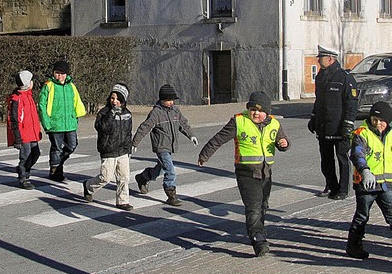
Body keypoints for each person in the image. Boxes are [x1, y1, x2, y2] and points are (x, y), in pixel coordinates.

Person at [198, 91, 290, 257]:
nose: (255, 113)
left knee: (263, 206)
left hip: (266, 173)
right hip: (246, 173)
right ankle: (258, 240)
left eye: (260, 110)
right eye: (252, 109)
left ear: (267, 112)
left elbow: (282, 141)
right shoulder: (239, 121)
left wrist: (284, 144)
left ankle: (260, 232)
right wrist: (205, 154)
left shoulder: (274, 124)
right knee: (253, 207)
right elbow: (219, 138)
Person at [131, 84, 198, 206]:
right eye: (168, 100)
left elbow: (183, 124)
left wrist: (191, 135)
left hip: (170, 145)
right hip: (161, 146)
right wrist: (135, 142)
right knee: (170, 170)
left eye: (172, 100)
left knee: (161, 169)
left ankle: (143, 177)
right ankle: (171, 194)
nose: (171, 102)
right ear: (162, 100)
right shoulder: (156, 113)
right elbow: (145, 127)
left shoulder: (175, 111)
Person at [308, 45, 358, 200]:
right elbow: (319, 102)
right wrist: (313, 118)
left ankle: (343, 190)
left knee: (342, 158)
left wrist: (348, 124)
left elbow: (351, 103)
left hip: (339, 127)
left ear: (330, 59)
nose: (318, 60)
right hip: (324, 127)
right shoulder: (321, 77)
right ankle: (332, 185)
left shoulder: (345, 78)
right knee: (326, 159)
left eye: (321, 57)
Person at [346, 101, 392, 259]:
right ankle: (354, 246)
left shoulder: (391, 134)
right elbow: (357, 154)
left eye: (381, 120)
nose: (378, 123)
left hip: (386, 184)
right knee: (362, 215)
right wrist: (365, 171)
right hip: (366, 184)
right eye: (374, 119)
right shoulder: (362, 133)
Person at [82, 83, 133, 211]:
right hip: (108, 150)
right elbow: (101, 128)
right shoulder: (104, 112)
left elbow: (128, 133)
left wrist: (129, 148)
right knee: (105, 177)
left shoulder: (127, 114)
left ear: (123, 100)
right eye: (112, 98)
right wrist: (111, 114)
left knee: (124, 177)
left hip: (122, 151)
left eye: (117, 99)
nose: (114, 101)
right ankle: (88, 186)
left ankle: (123, 201)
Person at [38, 60, 86, 181]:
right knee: (57, 148)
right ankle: (55, 171)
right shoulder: (49, 86)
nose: (59, 76)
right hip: (55, 124)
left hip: (70, 124)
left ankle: (58, 163)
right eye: (57, 73)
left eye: (62, 73)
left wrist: (75, 119)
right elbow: (42, 105)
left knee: (72, 145)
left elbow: (77, 103)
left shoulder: (71, 86)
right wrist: (46, 123)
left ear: (67, 74)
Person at [7, 70, 42, 190]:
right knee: (25, 156)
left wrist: (37, 131)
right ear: (27, 83)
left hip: (31, 133)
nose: (33, 83)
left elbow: (33, 117)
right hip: (23, 135)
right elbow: (14, 119)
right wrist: (17, 138)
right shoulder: (17, 99)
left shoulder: (29, 96)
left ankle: (23, 169)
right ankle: (23, 177)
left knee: (36, 153)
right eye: (31, 81)